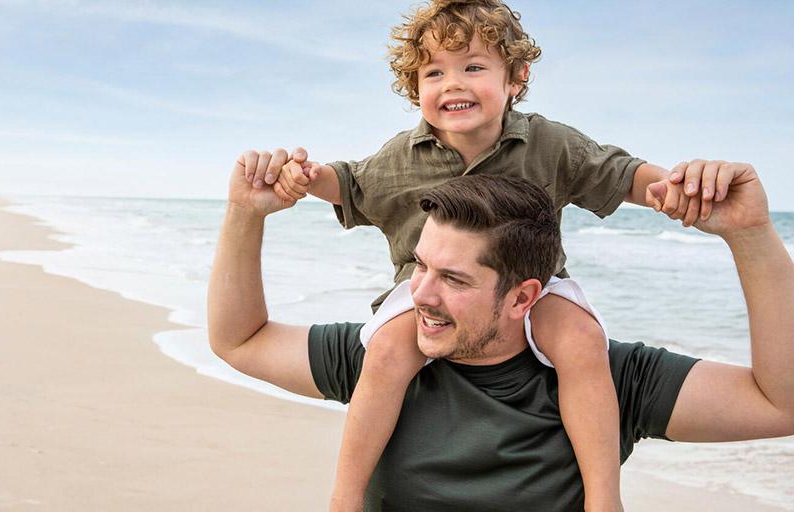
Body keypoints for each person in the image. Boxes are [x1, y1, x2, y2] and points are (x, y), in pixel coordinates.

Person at [242, 1, 743, 509]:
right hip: (423, 294)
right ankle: (344, 499)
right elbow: (348, 183)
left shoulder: (548, 142)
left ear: (517, 78)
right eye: (434, 72)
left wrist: (683, 188)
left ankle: (602, 498)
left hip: (536, 287)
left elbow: (620, 173)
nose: (452, 83)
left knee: (581, 337)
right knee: (388, 350)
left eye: (473, 67)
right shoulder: (401, 155)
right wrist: (303, 178)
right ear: (416, 88)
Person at [207, 162, 793, 511]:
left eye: (454, 279)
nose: (421, 295)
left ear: (522, 298)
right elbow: (240, 340)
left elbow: (781, 402)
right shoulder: (385, 356)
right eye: (421, 267)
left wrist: (750, 235)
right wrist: (243, 213)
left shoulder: (609, 379)